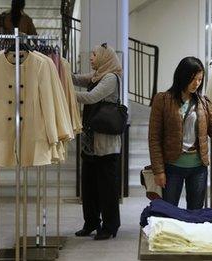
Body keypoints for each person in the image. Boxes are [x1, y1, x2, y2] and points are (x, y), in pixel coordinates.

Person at [149, 56, 212, 210]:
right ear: (182, 76)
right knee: (169, 213)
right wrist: (158, 170)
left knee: (196, 214)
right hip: (172, 167)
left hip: (198, 167)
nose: (196, 83)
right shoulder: (162, 100)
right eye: (193, 79)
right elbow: (154, 138)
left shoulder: (204, 103)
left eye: (200, 80)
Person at [72, 43, 122, 240]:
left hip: (106, 145)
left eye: (94, 54)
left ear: (104, 58)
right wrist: (58, 67)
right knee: (89, 185)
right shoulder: (96, 76)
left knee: (107, 188)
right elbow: (75, 79)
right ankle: (91, 222)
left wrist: (66, 95)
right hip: (91, 143)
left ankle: (110, 226)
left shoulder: (110, 78)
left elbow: (92, 97)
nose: (91, 57)